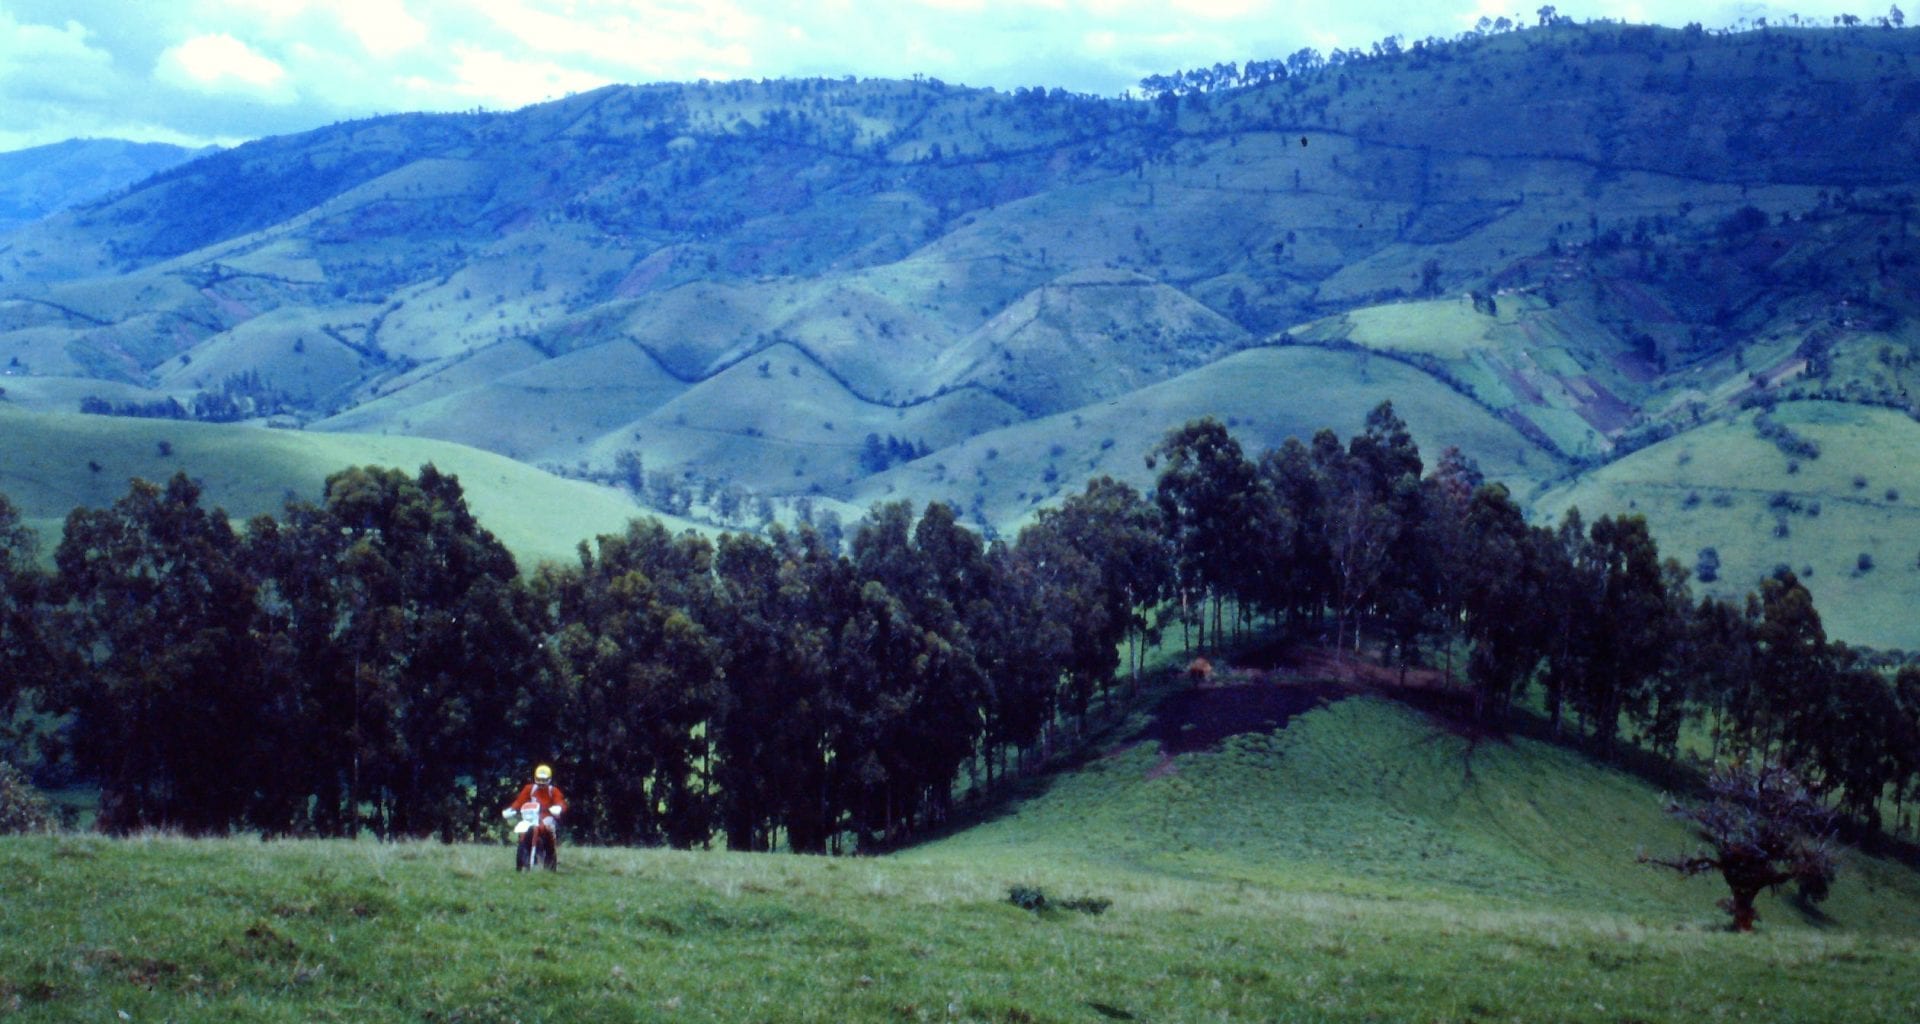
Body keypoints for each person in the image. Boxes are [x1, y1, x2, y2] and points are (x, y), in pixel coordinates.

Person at [502, 764, 569, 866]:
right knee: (523, 831)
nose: (541, 783)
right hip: (531, 816)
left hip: (547, 816)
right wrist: (512, 809)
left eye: (544, 780)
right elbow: (520, 801)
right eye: (539, 779)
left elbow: (560, 802)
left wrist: (558, 808)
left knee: (549, 828)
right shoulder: (529, 789)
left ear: (549, 779)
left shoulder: (553, 791)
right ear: (535, 778)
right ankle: (522, 855)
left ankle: (550, 855)